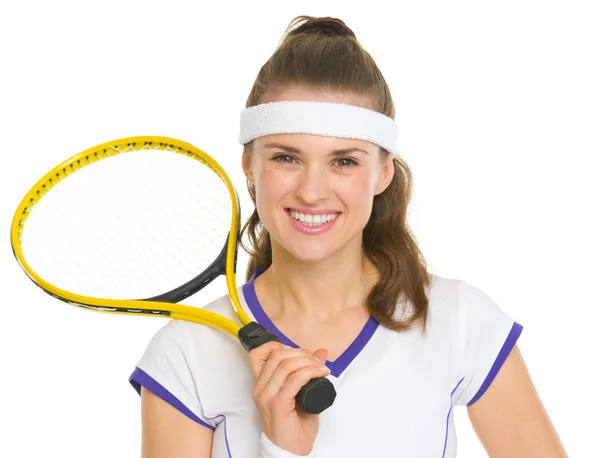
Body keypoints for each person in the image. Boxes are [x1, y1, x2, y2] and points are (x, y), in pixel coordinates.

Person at [128, 15, 567, 458]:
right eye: (286, 157)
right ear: (249, 167)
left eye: (344, 161)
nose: (312, 191)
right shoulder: (186, 353)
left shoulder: (459, 321)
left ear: (383, 172)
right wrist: (281, 450)